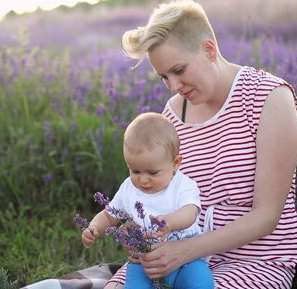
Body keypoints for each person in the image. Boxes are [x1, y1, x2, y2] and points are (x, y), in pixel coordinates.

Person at [105, 0, 297, 289]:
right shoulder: (173, 113)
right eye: (164, 76)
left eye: (179, 70)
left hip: (252, 262)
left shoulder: (268, 98)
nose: (174, 86)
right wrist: (138, 232)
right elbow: (161, 193)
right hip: (176, 256)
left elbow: (267, 216)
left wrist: (184, 251)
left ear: (209, 49)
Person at [82, 112, 214, 289]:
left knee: (201, 281)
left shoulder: (183, 185)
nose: (143, 180)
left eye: (152, 173)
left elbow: (190, 212)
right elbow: (109, 215)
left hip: (185, 261)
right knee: (134, 284)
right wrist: (94, 228)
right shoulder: (129, 188)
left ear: (175, 163)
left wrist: (171, 222)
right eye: (135, 171)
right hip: (143, 262)